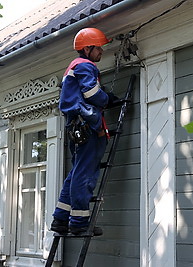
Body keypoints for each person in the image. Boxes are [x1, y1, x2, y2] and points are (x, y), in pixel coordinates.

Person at [51, 28, 118, 236]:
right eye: (98, 47)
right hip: (88, 126)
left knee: (76, 172)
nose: (101, 51)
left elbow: (82, 93)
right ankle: (79, 222)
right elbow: (91, 93)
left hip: (77, 125)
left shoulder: (75, 67)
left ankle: (60, 219)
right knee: (84, 174)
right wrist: (108, 99)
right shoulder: (85, 65)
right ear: (87, 48)